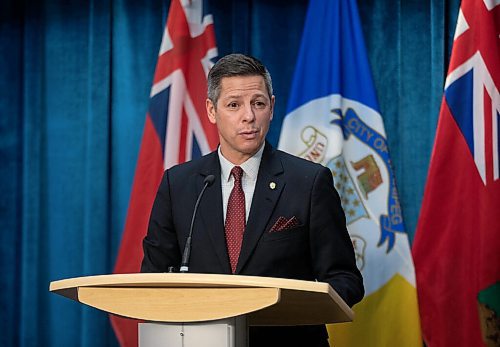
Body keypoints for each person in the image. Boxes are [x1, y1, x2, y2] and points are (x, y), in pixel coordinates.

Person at [141, 53, 364, 347]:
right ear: (211, 110)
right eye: (234, 105)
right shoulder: (178, 184)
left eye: (258, 103)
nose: (249, 116)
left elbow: (344, 277)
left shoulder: (308, 182)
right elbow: (153, 278)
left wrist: (299, 308)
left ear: (271, 107)